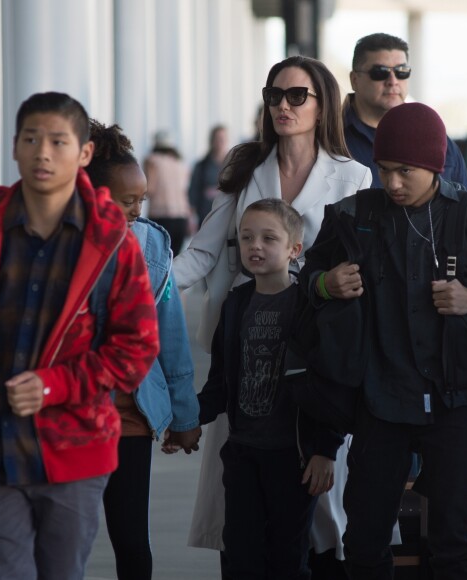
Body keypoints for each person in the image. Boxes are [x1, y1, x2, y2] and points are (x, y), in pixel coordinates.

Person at [300, 102, 467, 579]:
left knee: (453, 542)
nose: (393, 183)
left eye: (406, 171)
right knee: (364, 541)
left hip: (452, 403)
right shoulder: (355, 215)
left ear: (435, 165)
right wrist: (325, 283)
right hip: (379, 406)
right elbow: (306, 278)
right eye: (384, 170)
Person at [173, 55, 371, 576]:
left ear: (323, 103)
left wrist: (321, 286)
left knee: (313, 495)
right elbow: (202, 252)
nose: (283, 106)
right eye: (274, 95)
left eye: (297, 96)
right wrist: (135, 285)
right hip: (244, 339)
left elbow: (359, 272)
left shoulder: (353, 177)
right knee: (240, 501)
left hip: (315, 347)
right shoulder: (246, 171)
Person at [0, 92, 160, 580]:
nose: (42, 152)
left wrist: (52, 386)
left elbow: (136, 348)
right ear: (14, 147)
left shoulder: (112, 242)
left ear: (83, 154)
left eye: (58, 141)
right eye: (31, 139)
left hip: (75, 450)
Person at [197, 198, 343, 579]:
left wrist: (325, 450)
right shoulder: (236, 304)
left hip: (293, 460)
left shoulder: (307, 305)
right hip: (244, 453)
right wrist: (188, 419)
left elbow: (329, 385)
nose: (255, 246)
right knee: (242, 554)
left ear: (295, 249)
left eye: (268, 238)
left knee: (287, 558)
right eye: (246, 238)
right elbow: (220, 379)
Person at [85, 120, 202, 580]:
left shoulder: (152, 244)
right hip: (71, 415)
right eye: (125, 201)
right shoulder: (61, 247)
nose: (136, 211)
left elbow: (169, 335)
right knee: (64, 538)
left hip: (131, 415)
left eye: (141, 200)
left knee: (132, 540)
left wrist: (185, 415)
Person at [343, 32, 467, 189]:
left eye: (401, 71)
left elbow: (464, 207)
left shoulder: (437, 140)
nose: (393, 81)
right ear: (354, 80)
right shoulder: (329, 137)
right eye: (380, 72)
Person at [143, 130, 191, 255]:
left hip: (161, 216)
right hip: (181, 217)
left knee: (158, 258)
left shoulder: (152, 161)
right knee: (173, 261)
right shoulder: (180, 163)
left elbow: (150, 188)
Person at [188, 124, 230, 227]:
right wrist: (191, 218)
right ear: (211, 140)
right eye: (217, 138)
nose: (220, 142)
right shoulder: (201, 166)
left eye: (223, 139)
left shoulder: (233, 164)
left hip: (227, 215)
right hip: (205, 215)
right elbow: (193, 191)